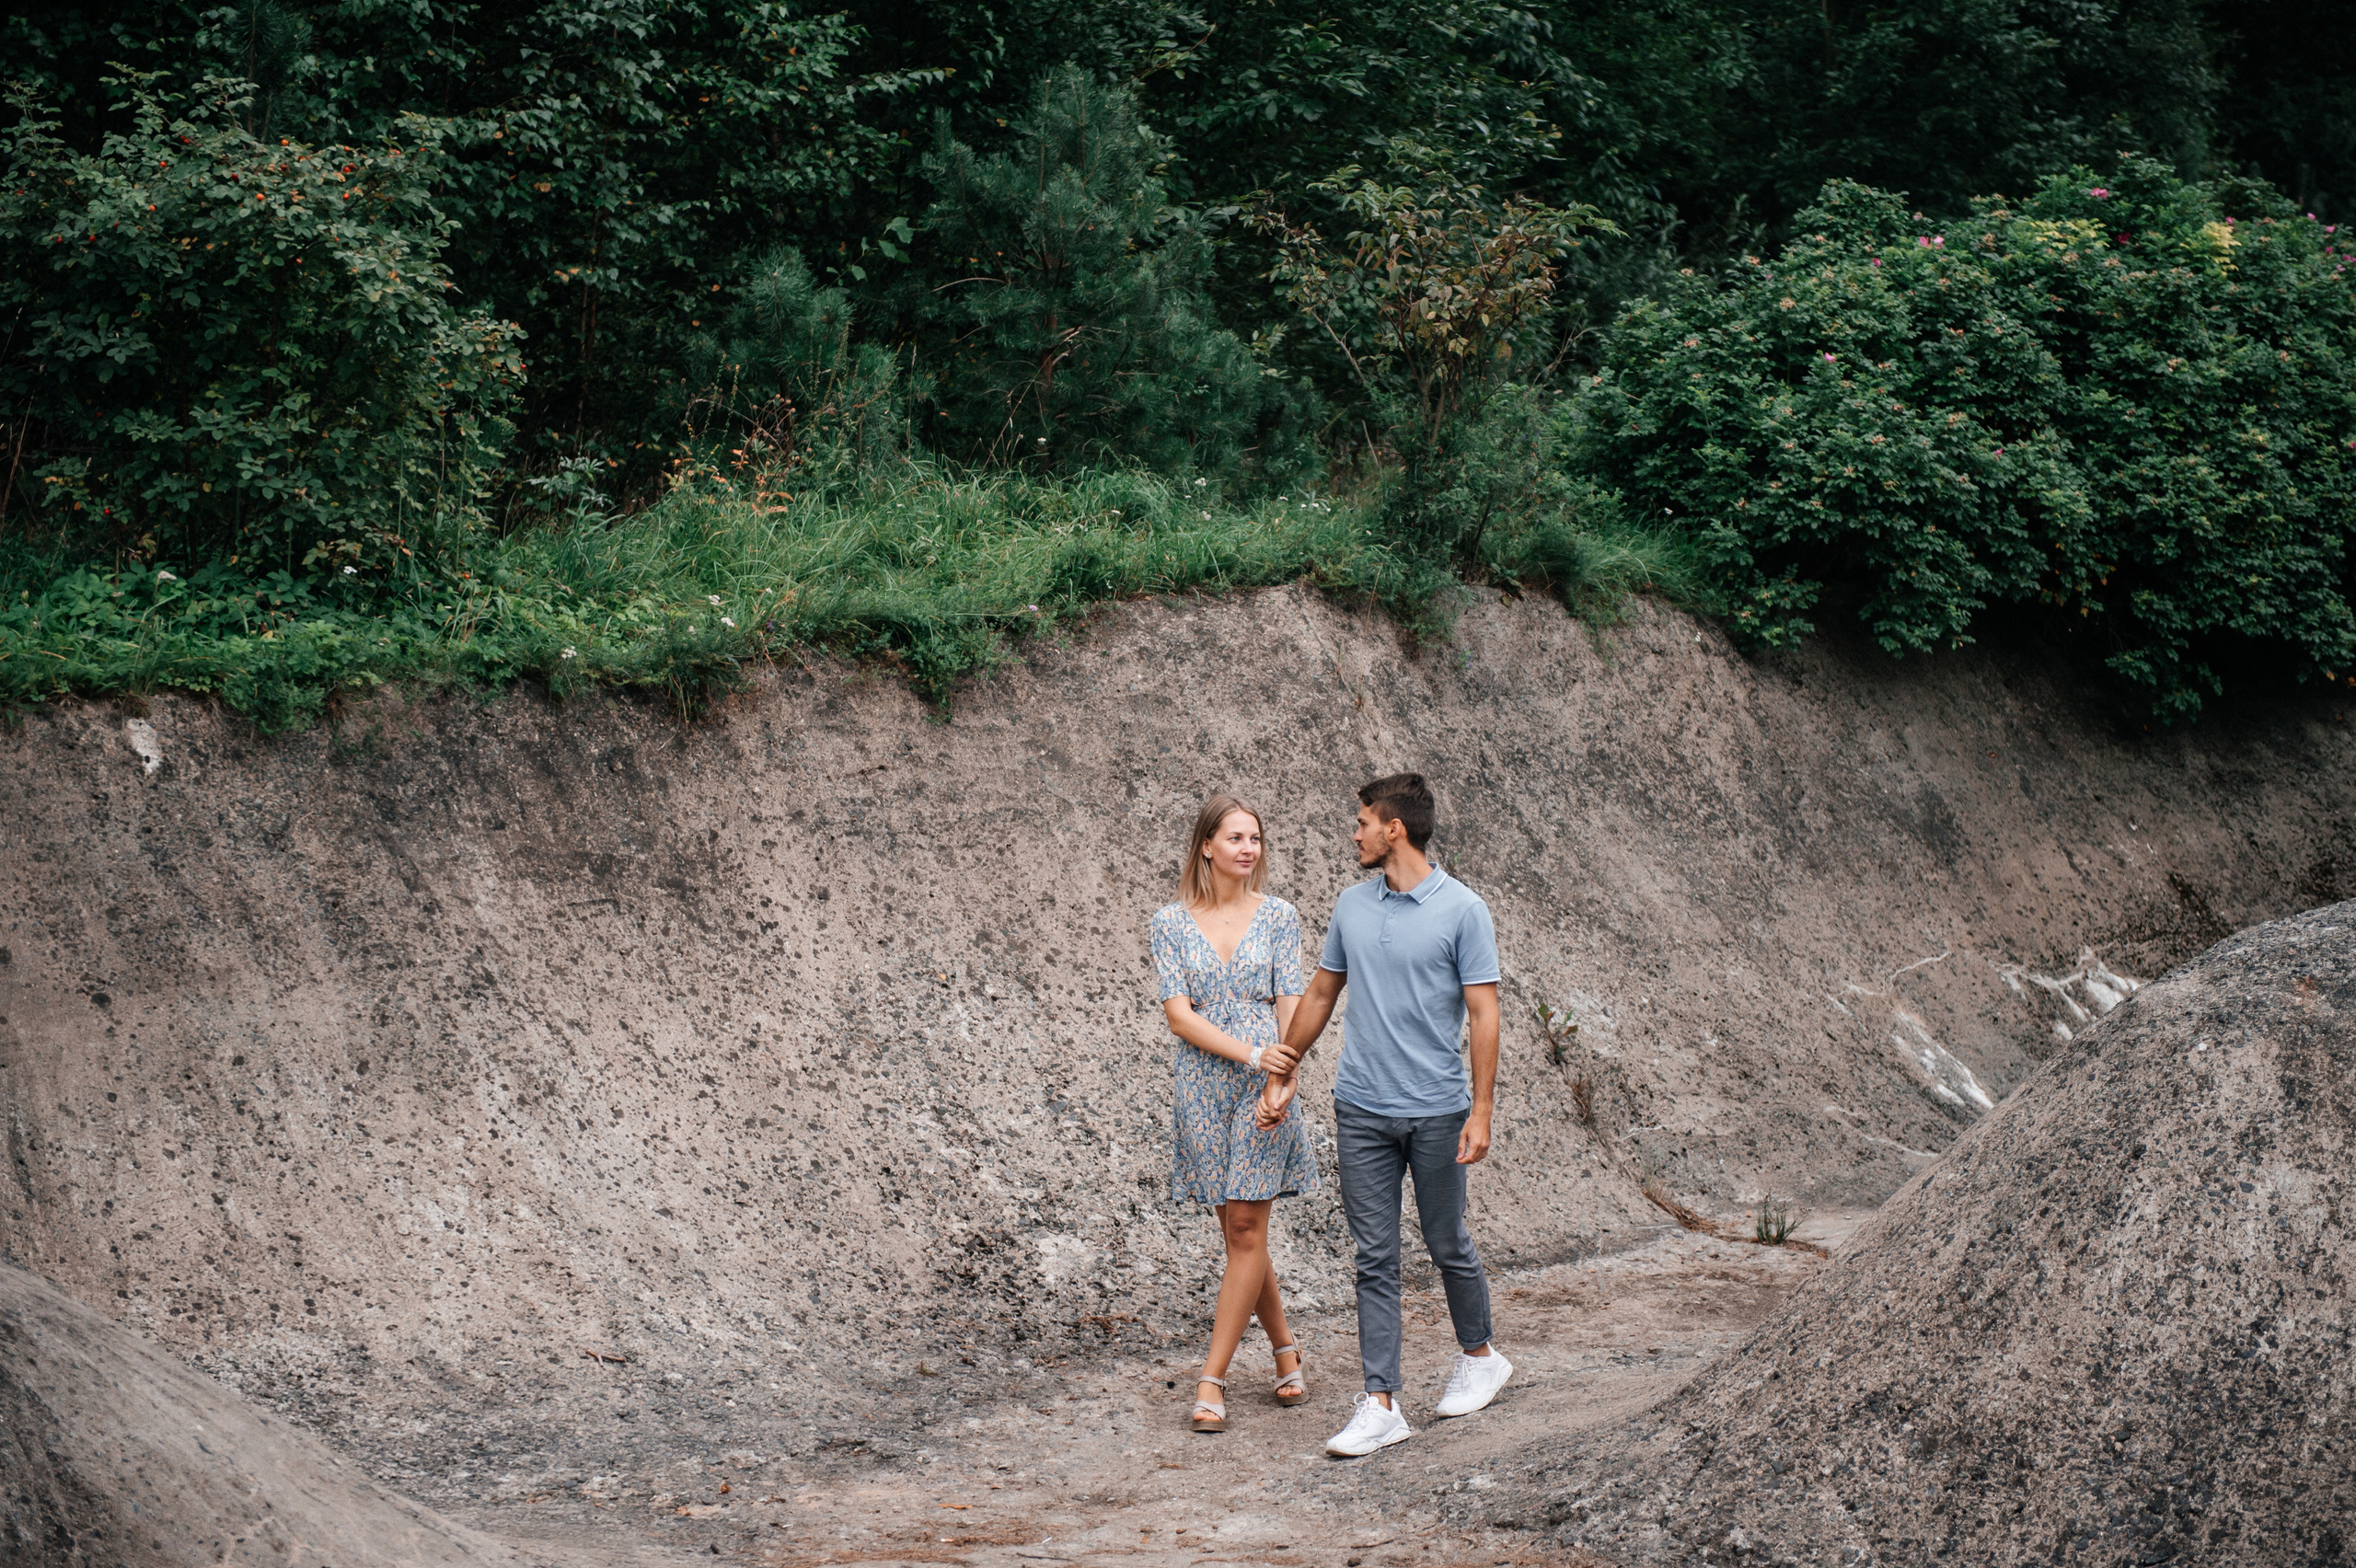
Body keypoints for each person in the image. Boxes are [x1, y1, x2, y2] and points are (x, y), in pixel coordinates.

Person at [1257, 772, 1509, 1457]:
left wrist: (1481, 1110)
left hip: (1436, 1109)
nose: (1356, 831)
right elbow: (1319, 993)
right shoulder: (1351, 906)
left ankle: (1482, 1356)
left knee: (1446, 1240)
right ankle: (1380, 1402)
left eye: (1363, 820)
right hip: (1361, 1106)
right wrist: (1285, 1066)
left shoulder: (1464, 910)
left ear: (1393, 829)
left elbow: (1485, 1014)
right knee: (1374, 1256)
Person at [1147, 795, 1319, 1434]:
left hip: (1264, 1085)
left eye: (1256, 838)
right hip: (1201, 1087)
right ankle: (1285, 1351)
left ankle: (1211, 1380)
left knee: (1247, 1228)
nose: (1249, 848)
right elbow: (1179, 1014)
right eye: (1236, 837)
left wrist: (1285, 1076)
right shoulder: (1169, 922)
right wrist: (1252, 1054)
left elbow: (1292, 1002)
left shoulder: (1278, 916)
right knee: (1241, 1234)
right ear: (1207, 847)